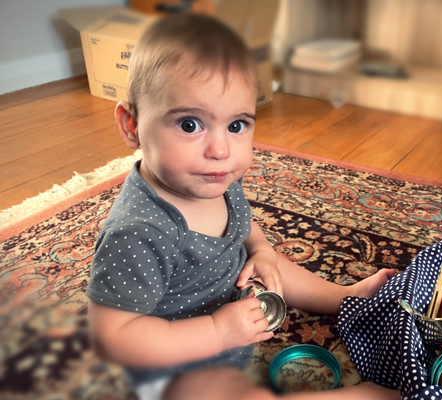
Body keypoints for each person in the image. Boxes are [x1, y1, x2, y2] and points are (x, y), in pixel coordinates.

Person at [85, 13, 398, 400]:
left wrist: (262, 250)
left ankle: (345, 298)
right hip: (173, 370)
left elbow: (243, 227)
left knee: (272, 265)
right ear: (131, 125)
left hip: (227, 317)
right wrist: (217, 332)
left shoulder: (211, 178)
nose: (221, 150)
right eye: (189, 124)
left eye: (237, 126)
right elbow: (113, 338)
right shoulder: (138, 232)